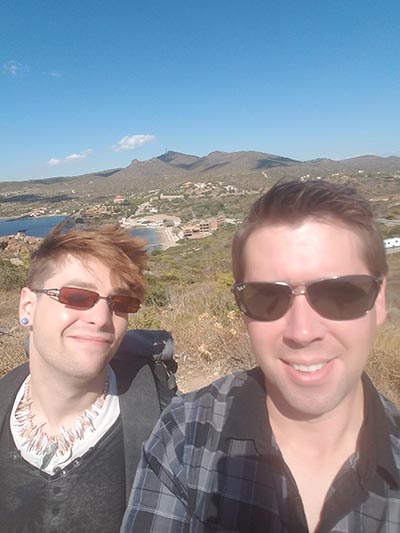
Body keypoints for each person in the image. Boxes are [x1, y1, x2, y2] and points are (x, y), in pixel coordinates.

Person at [122, 179, 400, 532]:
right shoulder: (185, 435)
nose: (302, 332)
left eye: (339, 293)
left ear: (379, 301)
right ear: (242, 311)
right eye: (267, 297)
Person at [0, 222, 176, 532]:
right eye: (77, 296)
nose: (102, 318)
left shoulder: (170, 429)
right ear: (27, 306)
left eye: (120, 304)